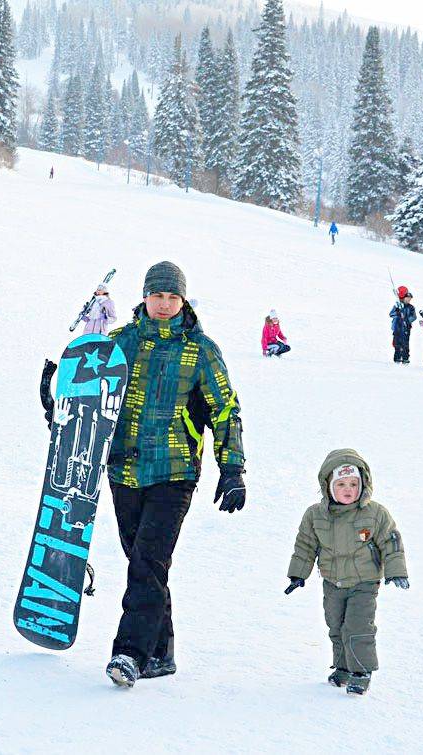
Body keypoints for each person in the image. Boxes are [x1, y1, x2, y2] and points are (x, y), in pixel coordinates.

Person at [103, 261, 246, 688]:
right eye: (157, 295)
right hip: (124, 469)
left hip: (175, 469)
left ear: (183, 300)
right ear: (144, 296)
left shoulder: (201, 349)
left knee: (147, 562)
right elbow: (93, 400)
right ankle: (161, 652)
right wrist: (61, 402)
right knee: (145, 563)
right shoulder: (118, 344)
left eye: (172, 297)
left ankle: (130, 653)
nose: (164, 304)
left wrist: (232, 466)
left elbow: (224, 409)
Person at [286, 449, 409, 696]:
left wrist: (396, 571)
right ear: (328, 486)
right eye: (341, 484)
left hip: (364, 583)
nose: (348, 489)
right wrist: (298, 574)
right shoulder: (315, 515)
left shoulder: (375, 513)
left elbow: (391, 541)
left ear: (363, 484)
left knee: (358, 626)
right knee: (336, 626)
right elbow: (305, 545)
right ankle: (343, 667)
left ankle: (361, 672)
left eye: (354, 484)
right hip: (332, 582)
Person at [389, 287, 416, 364]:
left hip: (406, 328)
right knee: (397, 343)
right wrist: (397, 312)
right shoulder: (398, 305)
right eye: (407, 298)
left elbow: (414, 317)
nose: (408, 300)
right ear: (403, 298)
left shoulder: (411, 307)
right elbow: (391, 314)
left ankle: (405, 358)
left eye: (410, 299)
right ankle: (397, 357)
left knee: (405, 343)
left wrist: (406, 319)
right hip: (397, 327)